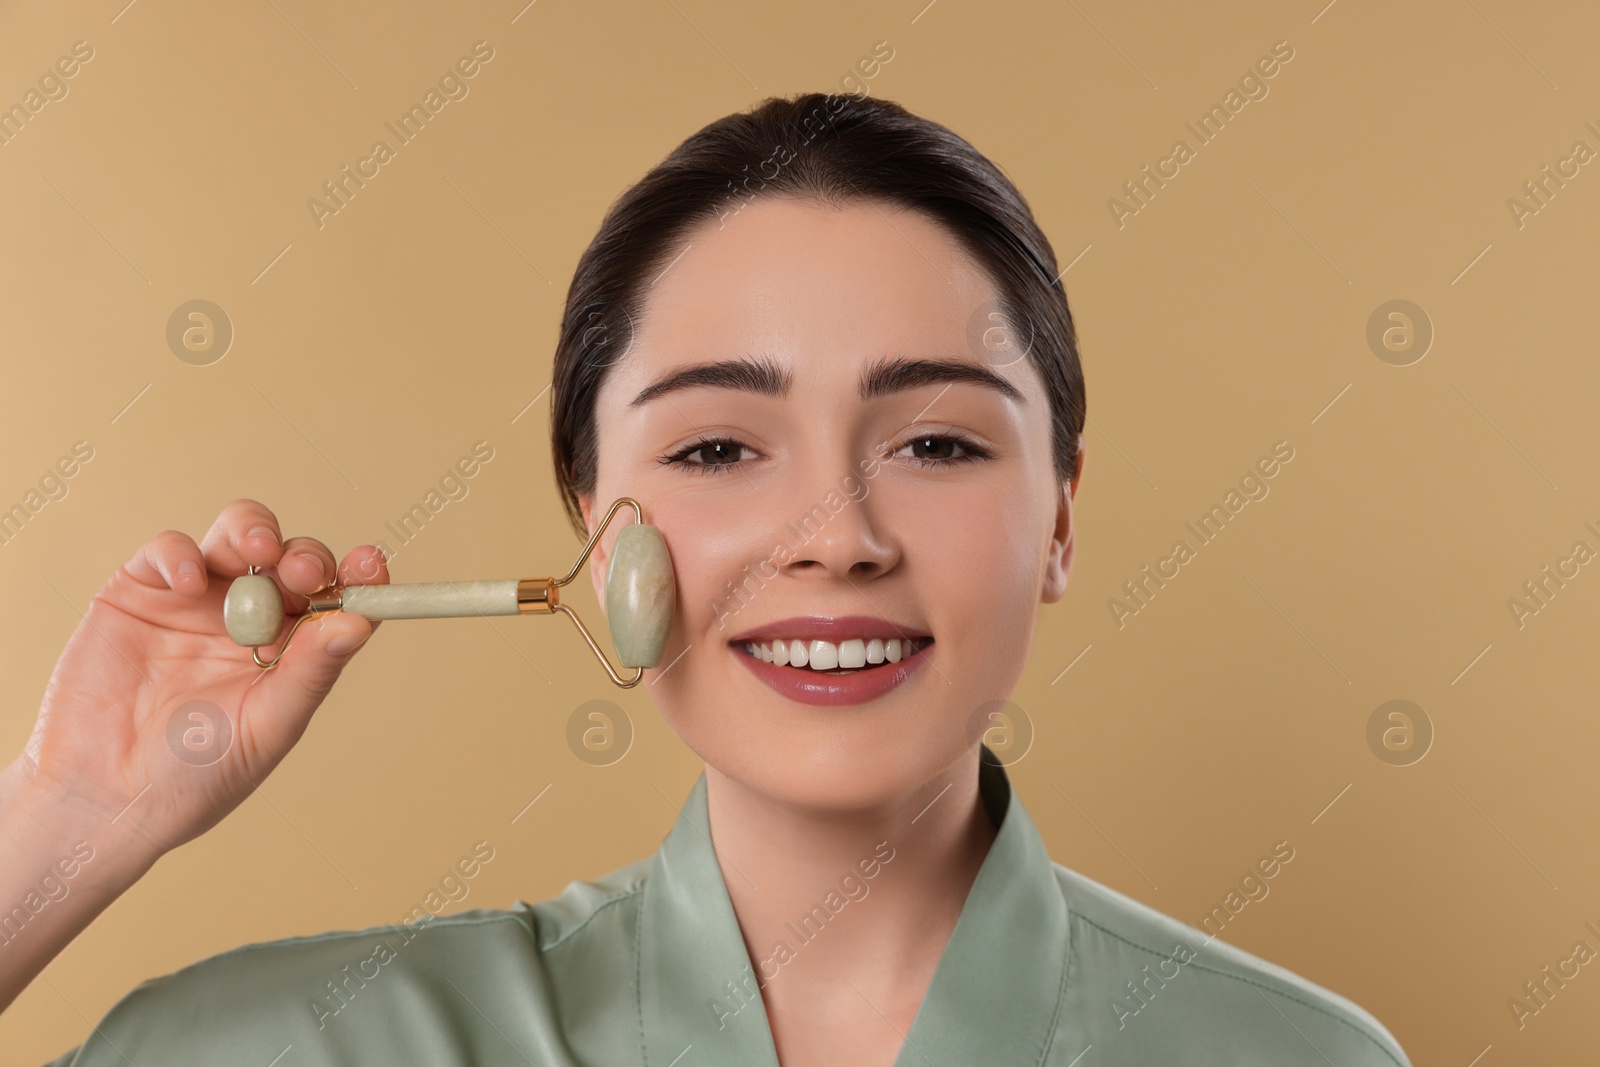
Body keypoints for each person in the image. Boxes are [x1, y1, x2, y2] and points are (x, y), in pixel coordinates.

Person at [2, 91, 1411, 1066]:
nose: (834, 536)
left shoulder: (1299, 1058)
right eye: (723, 444)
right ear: (592, 526)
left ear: (1059, 517)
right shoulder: (307, 1046)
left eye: (934, 440)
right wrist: (67, 816)